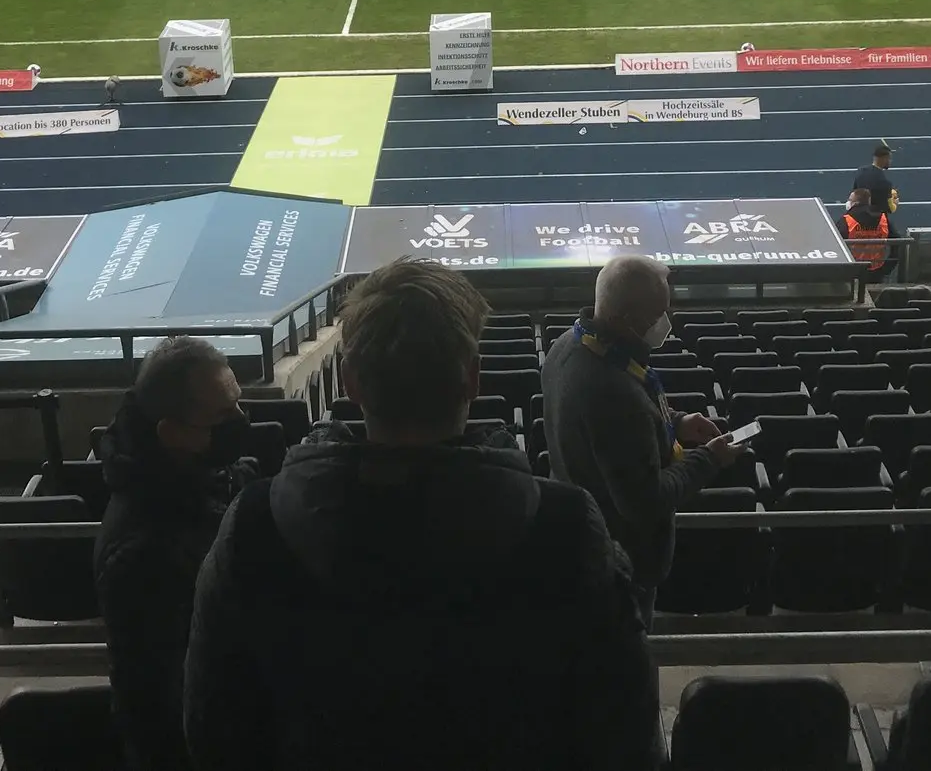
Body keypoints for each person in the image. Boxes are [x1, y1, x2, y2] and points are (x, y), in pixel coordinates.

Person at [184, 260, 658, 771]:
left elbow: (214, 733)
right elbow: (625, 736)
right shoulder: (568, 531)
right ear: (472, 378)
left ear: (350, 382)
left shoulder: (253, 527)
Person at [541, 254, 738, 624]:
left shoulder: (568, 345)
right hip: (622, 563)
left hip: (583, 532)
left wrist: (675, 422)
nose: (665, 322)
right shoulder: (614, 394)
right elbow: (646, 501)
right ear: (625, 318)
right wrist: (709, 458)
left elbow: (610, 427)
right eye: (657, 314)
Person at [94, 336, 252, 771]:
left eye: (238, 403)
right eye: (222, 415)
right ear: (172, 432)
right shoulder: (143, 555)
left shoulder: (197, 477)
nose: (241, 421)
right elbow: (163, 706)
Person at [841, 187, 894, 279]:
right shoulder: (883, 219)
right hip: (877, 269)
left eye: (850, 200)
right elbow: (897, 243)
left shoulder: (847, 220)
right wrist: (887, 267)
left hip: (853, 269)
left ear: (855, 203)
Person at [852, 139, 900, 230]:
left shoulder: (860, 171)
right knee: (896, 236)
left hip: (857, 217)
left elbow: (855, 192)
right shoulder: (885, 183)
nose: (890, 161)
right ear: (884, 158)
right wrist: (895, 203)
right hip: (876, 222)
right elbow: (889, 209)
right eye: (889, 158)